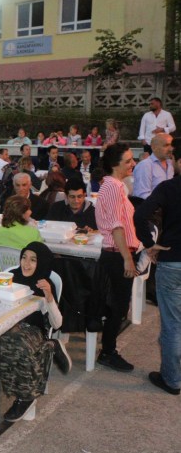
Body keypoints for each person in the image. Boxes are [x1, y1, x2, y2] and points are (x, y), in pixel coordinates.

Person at [1, 242, 71, 421]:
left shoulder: (43, 284)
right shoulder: (10, 277)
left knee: (17, 343)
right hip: (7, 325)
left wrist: (49, 296)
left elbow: (57, 324)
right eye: (24, 258)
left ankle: (25, 397)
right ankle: (50, 347)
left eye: (33, 260)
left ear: (42, 262)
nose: (26, 263)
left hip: (33, 330)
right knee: (3, 341)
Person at [134, 153, 181, 395]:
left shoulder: (168, 187)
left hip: (172, 261)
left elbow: (140, 214)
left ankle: (172, 379)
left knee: (172, 324)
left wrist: (149, 243)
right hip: (172, 262)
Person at [94, 143, 139, 372]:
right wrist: (127, 259)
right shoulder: (113, 186)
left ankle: (108, 349)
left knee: (118, 307)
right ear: (115, 165)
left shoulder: (115, 186)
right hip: (116, 254)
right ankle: (108, 351)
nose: (133, 164)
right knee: (118, 308)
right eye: (128, 161)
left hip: (118, 253)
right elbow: (116, 226)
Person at [132, 133, 174, 200]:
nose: (171, 149)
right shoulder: (145, 166)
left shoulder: (171, 164)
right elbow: (142, 195)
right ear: (154, 148)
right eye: (166, 145)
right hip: (153, 206)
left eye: (172, 145)